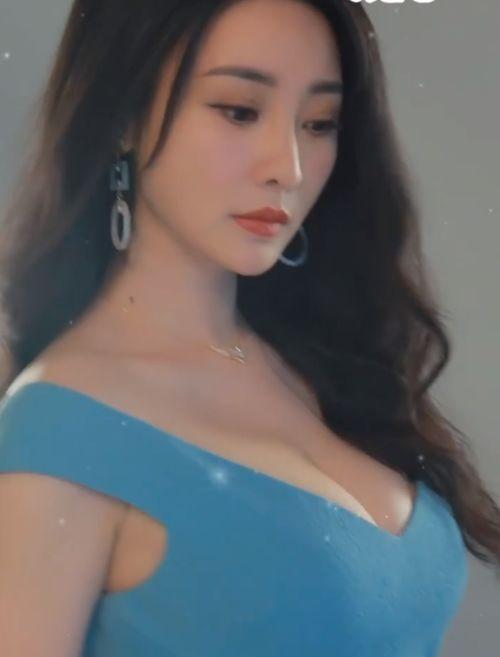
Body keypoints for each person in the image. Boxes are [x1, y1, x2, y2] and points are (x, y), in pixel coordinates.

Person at [0, 1, 498, 655]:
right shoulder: (60, 431)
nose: (288, 166)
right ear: (122, 116)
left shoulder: (316, 359)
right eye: (238, 110)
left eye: (318, 123)